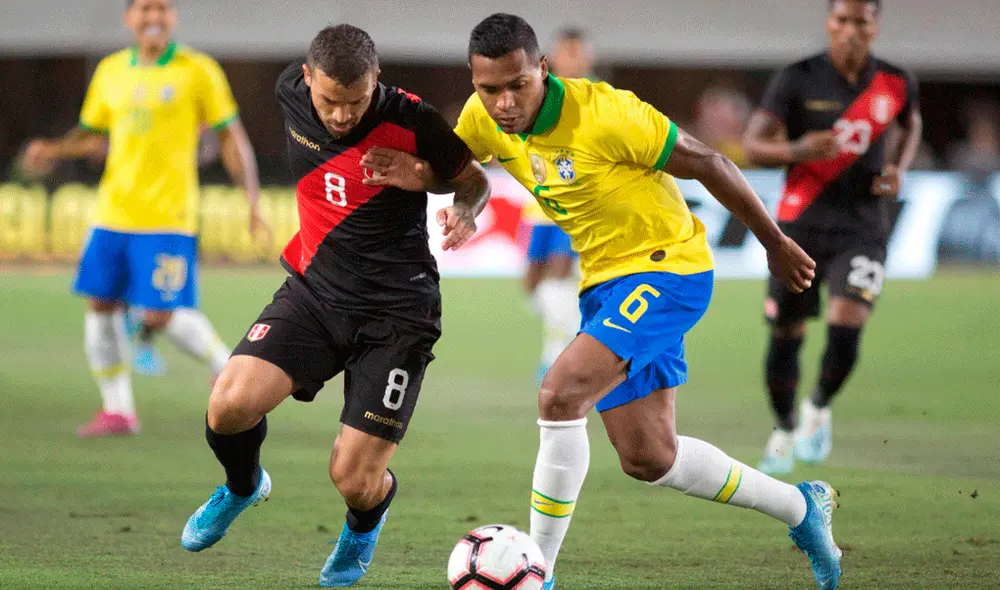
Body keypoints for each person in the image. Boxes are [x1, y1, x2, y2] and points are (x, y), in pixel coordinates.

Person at [361, 13, 843, 590]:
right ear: (474, 81)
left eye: (519, 85)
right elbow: (469, 176)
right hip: (606, 283)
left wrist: (775, 243)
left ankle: (537, 571)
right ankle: (801, 508)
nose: (505, 102)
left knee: (559, 394)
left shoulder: (606, 113)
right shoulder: (481, 116)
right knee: (649, 457)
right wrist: (459, 205)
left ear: (542, 69)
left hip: (667, 268)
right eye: (491, 89)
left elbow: (709, 162)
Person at [178, 24, 490, 588]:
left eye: (357, 101)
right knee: (227, 407)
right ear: (305, 80)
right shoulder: (287, 93)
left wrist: (456, 204)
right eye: (330, 101)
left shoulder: (414, 120)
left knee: (352, 478)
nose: (343, 116)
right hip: (315, 293)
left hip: (398, 315)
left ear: (377, 81)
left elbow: (473, 179)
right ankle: (244, 487)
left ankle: (363, 525)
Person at [20, 0, 264, 437]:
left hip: (168, 216)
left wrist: (251, 198)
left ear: (173, 17)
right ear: (129, 18)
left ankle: (228, 372)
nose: (154, 16)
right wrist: (53, 150)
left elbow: (231, 135)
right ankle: (118, 411)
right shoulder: (111, 70)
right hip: (113, 212)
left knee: (159, 316)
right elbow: (92, 135)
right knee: (100, 304)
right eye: (145, 8)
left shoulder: (199, 70)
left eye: (163, 8)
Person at [743, 0, 922, 475]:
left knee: (848, 323)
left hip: (864, 226)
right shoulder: (797, 78)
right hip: (798, 227)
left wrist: (897, 170)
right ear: (829, 23)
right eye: (841, 21)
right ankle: (782, 429)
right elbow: (752, 145)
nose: (850, 31)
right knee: (787, 335)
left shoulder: (895, 81)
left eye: (860, 22)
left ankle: (817, 408)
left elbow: (911, 123)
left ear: (874, 27)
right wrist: (798, 149)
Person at [521, 27, 596, 382]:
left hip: (576, 207)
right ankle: (571, 326)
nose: (574, 59)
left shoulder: (597, 98)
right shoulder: (537, 93)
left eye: (579, 53)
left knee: (559, 273)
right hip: (538, 206)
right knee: (533, 284)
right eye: (567, 52)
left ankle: (556, 353)